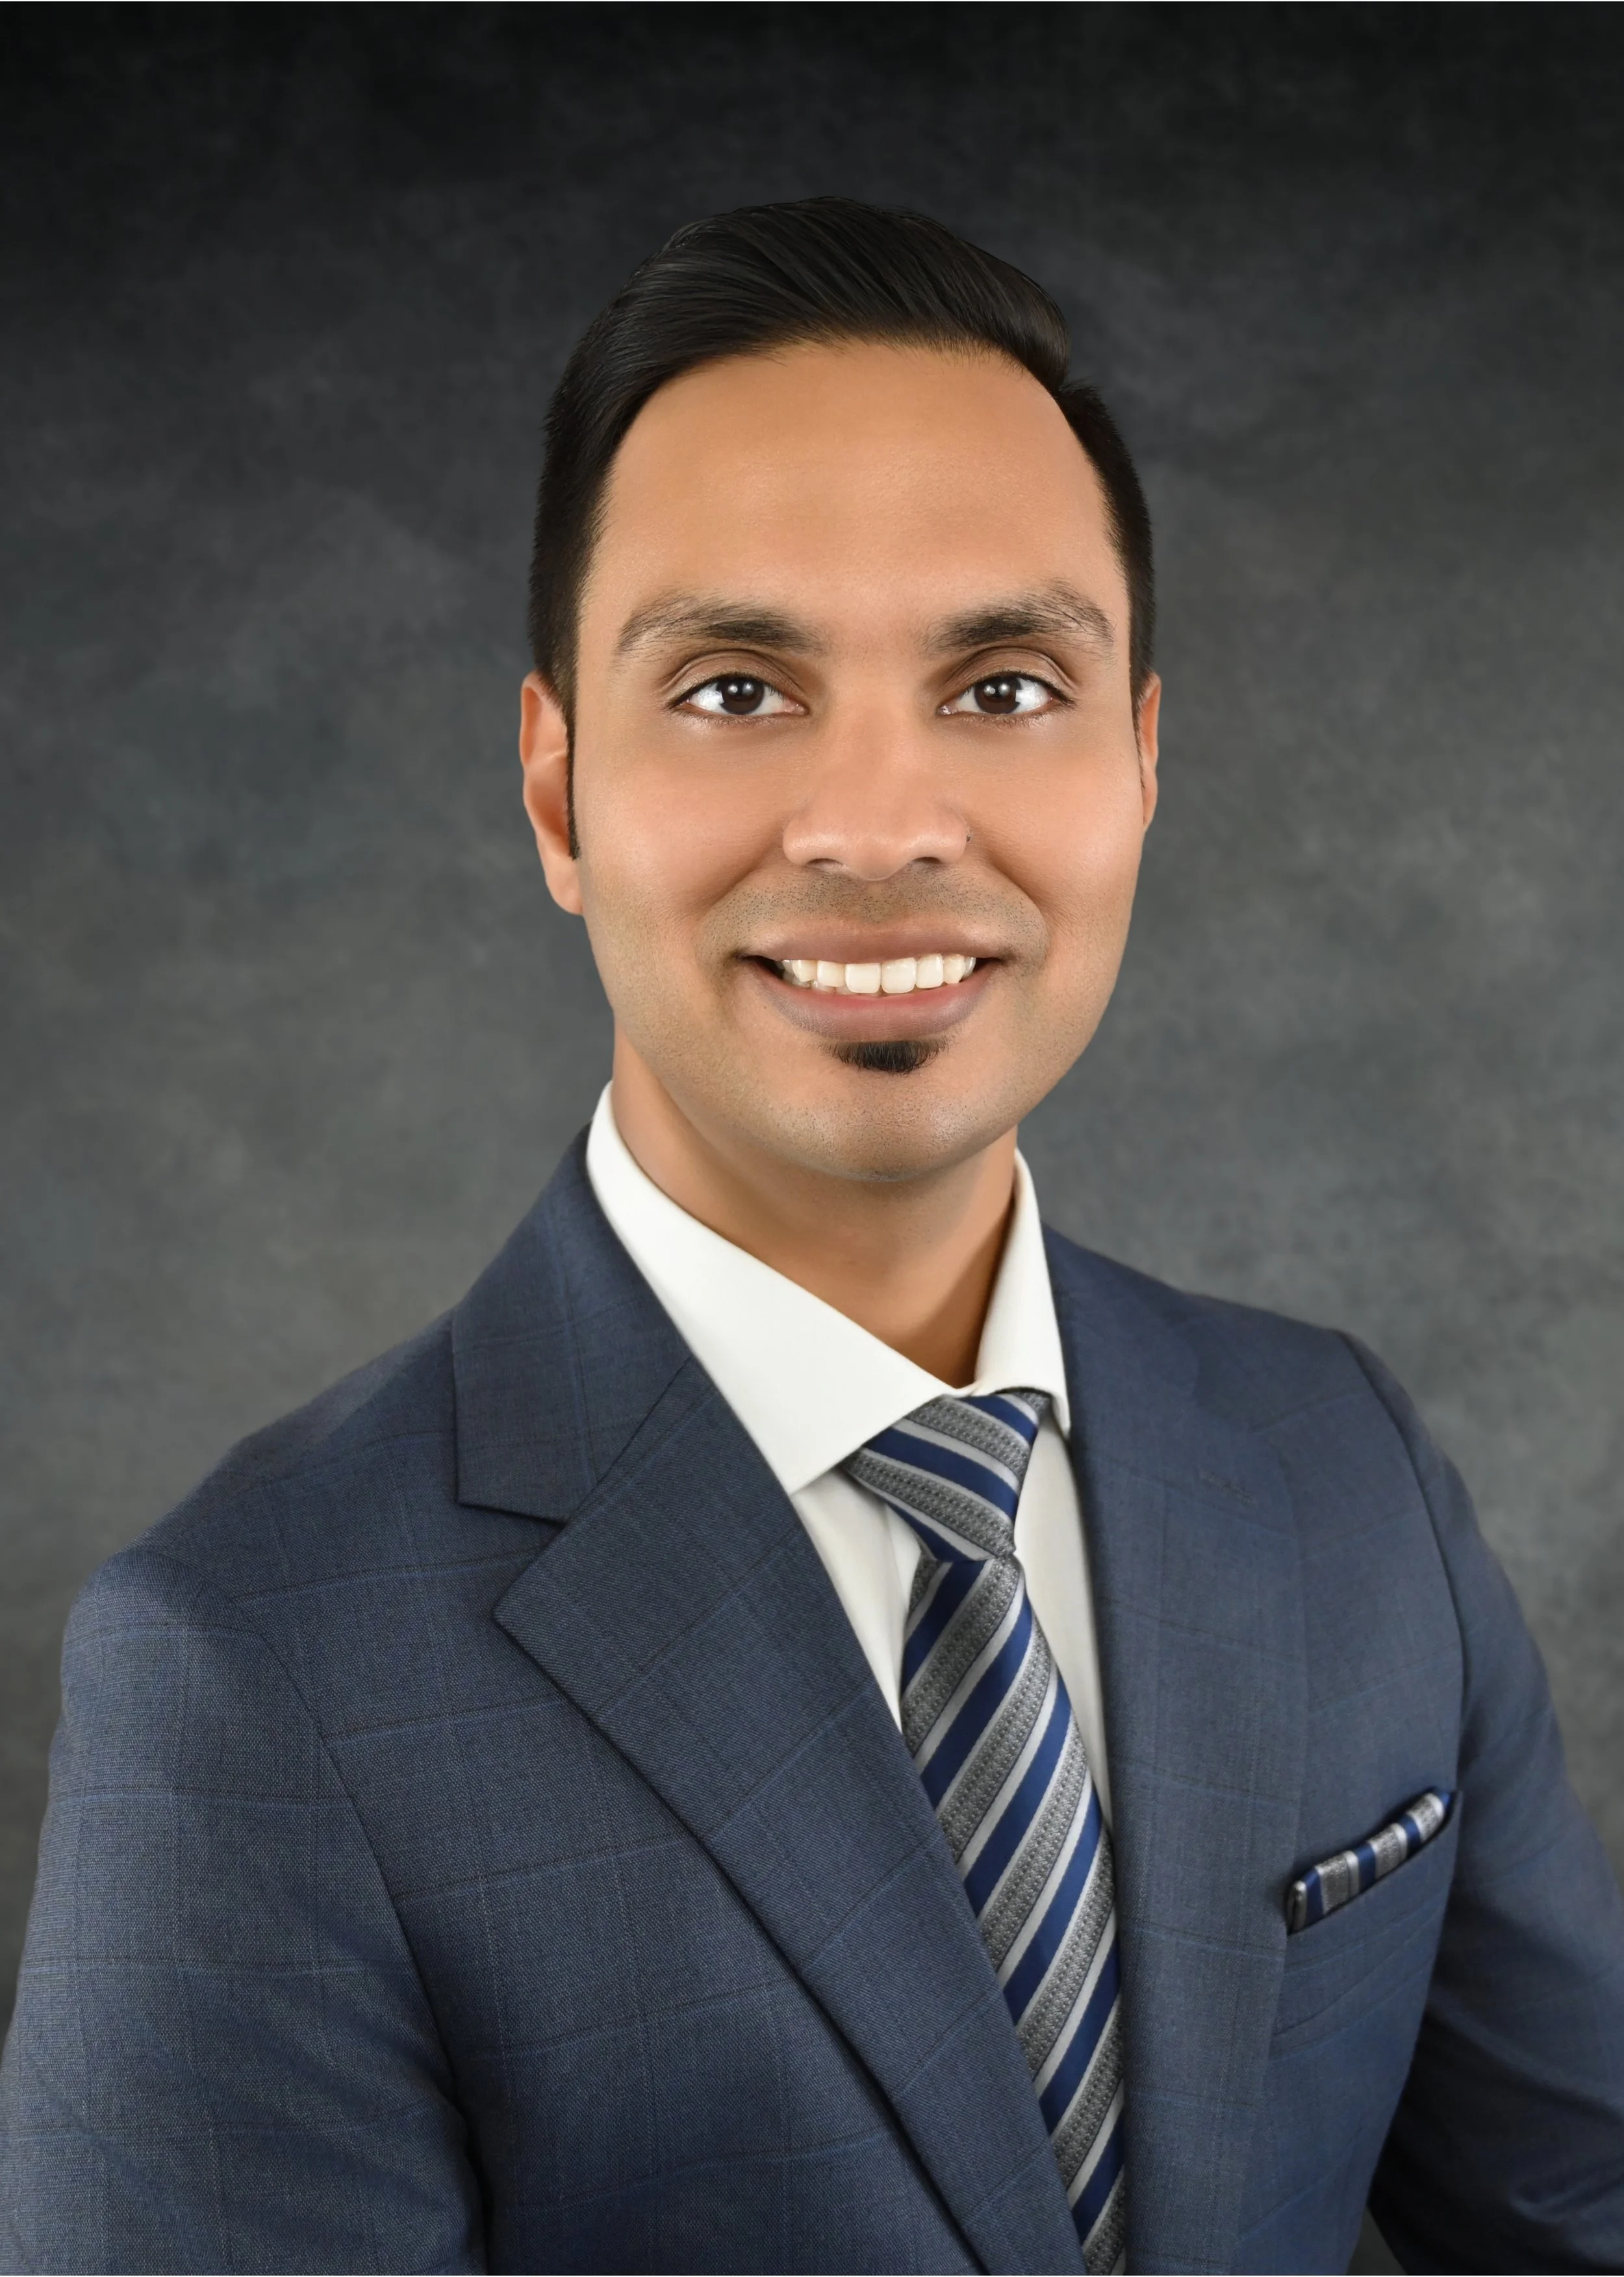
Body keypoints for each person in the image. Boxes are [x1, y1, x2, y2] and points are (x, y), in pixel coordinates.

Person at [3, 197, 1621, 2277]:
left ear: (1140, 760)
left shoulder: (1340, 1468)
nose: (878, 824)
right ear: (557, 790)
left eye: (1006, 682)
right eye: (740, 687)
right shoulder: (259, 1667)